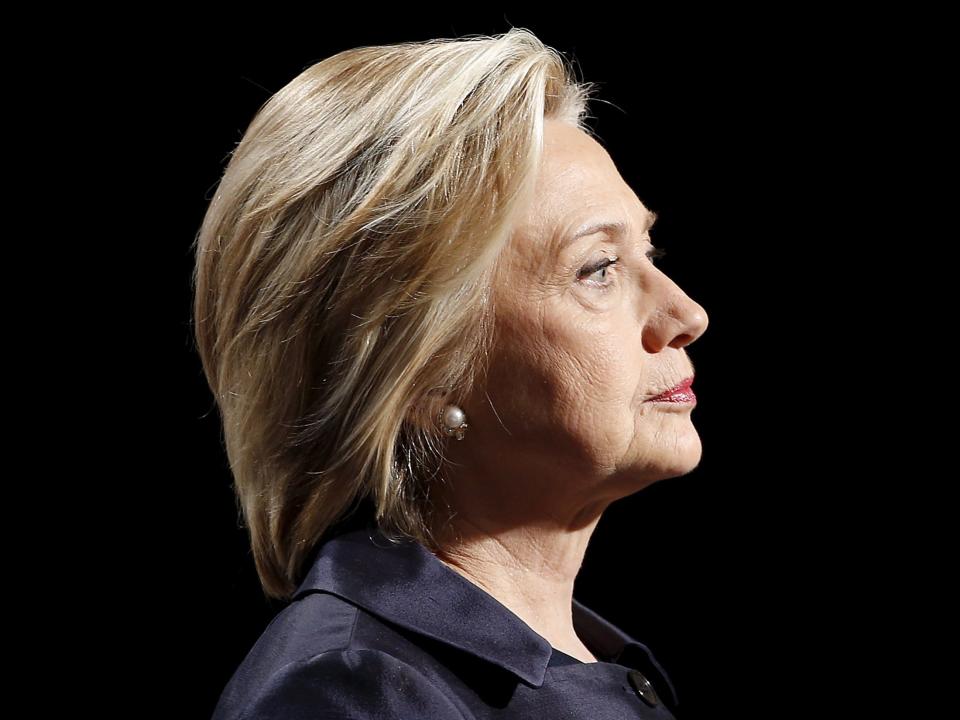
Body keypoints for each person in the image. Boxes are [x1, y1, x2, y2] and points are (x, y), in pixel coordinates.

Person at [194, 27, 708, 720]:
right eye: (599, 269)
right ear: (425, 372)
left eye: (649, 250)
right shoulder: (350, 696)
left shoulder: (583, 658)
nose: (686, 314)